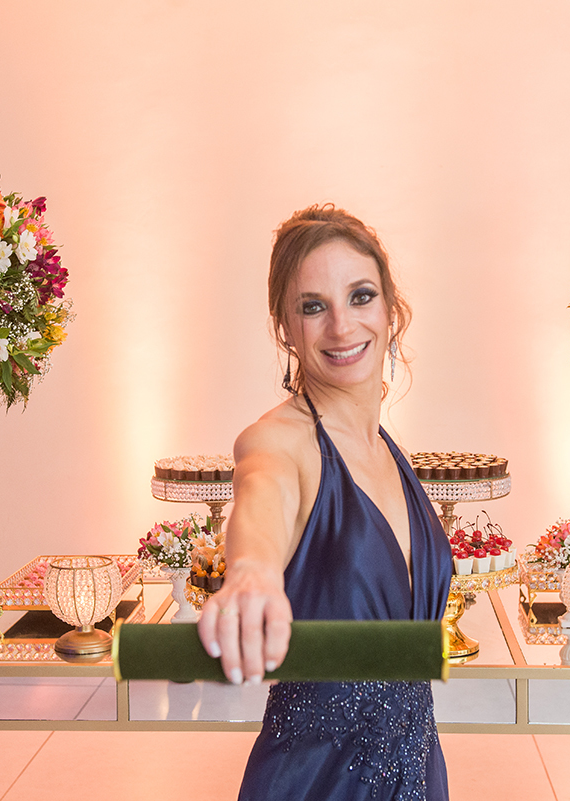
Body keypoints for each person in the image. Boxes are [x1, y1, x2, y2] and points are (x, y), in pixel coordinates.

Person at [198, 204, 451, 800]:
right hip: (315, 783)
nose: (341, 327)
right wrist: (251, 575)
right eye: (313, 307)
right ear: (286, 329)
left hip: (417, 772)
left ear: (391, 310)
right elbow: (263, 495)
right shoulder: (279, 441)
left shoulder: (390, 451)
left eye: (360, 297)